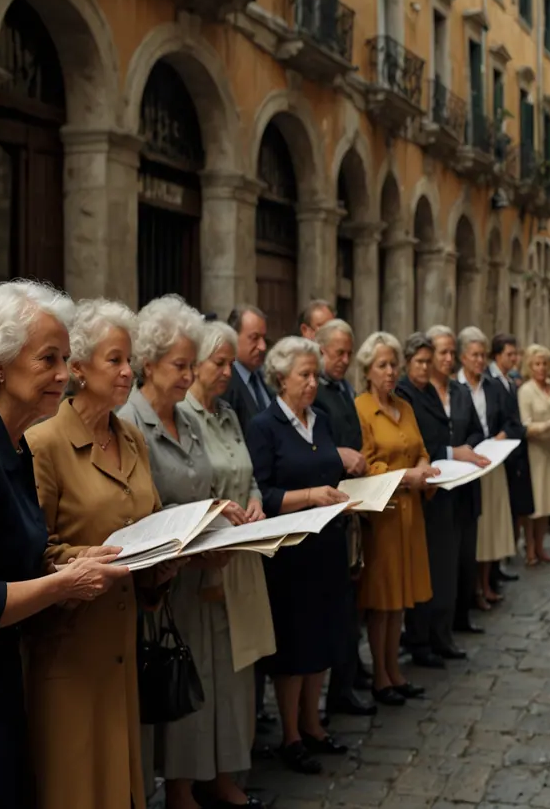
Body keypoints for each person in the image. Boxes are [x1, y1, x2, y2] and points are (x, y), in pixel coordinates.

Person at [0, 283, 126, 809]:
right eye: (48, 359)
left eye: (65, 358)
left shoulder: (10, 443)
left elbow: (14, 552)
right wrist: (64, 584)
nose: (64, 374)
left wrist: (72, 558)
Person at [28, 297, 180, 809]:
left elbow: (152, 518)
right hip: (70, 647)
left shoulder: (131, 438)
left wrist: (173, 556)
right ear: (77, 368)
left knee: (122, 783)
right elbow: (33, 550)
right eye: (114, 359)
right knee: (76, 784)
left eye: (128, 359)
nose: (127, 370)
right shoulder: (43, 443)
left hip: (123, 642)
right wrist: (90, 559)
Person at [116, 297, 260, 809]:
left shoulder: (189, 420)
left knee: (207, 680)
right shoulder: (128, 424)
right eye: (180, 366)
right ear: (148, 363)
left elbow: (204, 487)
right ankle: (171, 789)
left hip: (203, 576)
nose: (187, 376)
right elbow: (138, 510)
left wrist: (227, 519)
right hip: (163, 584)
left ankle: (197, 782)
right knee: (169, 682)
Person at [183, 320, 278, 808]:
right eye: (217, 363)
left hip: (245, 554)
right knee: (212, 672)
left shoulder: (227, 414)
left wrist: (257, 500)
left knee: (241, 671)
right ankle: (203, 776)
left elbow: (249, 475)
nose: (226, 371)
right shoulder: (183, 416)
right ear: (194, 364)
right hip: (210, 560)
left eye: (227, 363)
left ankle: (229, 771)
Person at [246, 336, 352, 774]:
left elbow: (329, 466)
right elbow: (263, 491)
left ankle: (313, 722)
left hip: (327, 544)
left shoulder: (321, 420)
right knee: (294, 646)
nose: (313, 382)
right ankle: (290, 733)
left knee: (324, 637)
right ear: (280, 378)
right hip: (290, 552)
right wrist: (309, 495)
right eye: (304, 375)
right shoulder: (264, 426)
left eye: (315, 375)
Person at [353, 332, 439, 707]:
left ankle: (394, 671)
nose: (390, 373)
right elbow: (365, 464)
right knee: (383, 599)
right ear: (368, 370)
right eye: (382, 366)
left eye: (393, 366)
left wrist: (422, 468)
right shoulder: (361, 409)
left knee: (401, 596)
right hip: (384, 515)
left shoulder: (404, 408)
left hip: (411, 513)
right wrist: (407, 477)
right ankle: (380, 675)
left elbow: (420, 449)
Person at [396, 329, 488, 667]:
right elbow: (415, 443)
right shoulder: (406, 393)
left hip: (452, 489)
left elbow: (465, 431)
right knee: (430, 570)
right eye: (432, 357)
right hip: (425, 493)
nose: (440, 361)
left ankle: (440, 634)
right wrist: (450, 451)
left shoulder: (436, 393)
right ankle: (422, 638)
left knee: (447, 568)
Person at [309, 319, 375, 717]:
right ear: (320, 351)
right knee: (336, 607)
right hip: (326, 508)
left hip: (352, 505)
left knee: (351, 602)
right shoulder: (316, 392)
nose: (345, 360)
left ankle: (347, 682)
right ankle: (338, 688)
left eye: (349, 354)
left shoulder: (344, 388)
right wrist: (339, 456)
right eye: (338, 354)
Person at [456, 327, 514, 614]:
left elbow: (509, 420)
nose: (480, 361)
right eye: (474, 355)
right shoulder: (456, 388)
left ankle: (488, 582)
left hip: (494, 461)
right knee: (476, 531)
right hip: (466, 466)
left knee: (492, 528)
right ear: (462, 357)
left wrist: (501, 436)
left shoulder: (491, 387)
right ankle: (473, 588)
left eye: (482, 355)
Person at [516, 344, 550, 565]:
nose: (541, 368)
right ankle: (529, 548)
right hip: (534, 451)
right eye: (537, 364)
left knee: (548, 501)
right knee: (533, 503)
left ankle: (541, 546)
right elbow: (526, 426)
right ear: (529, 366)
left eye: (545, 363)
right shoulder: (526, 390)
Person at [488, 334, 533, 538]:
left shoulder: (510, 381)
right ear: (497, 355)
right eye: (509, 354)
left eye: (515, 354)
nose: (514, 358)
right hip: (498, 449)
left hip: (513, 448)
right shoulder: (490, 380)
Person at [222, 305, 271, 432]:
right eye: (254, 338)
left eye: (264, 338)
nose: (262, 347)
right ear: (233, 336)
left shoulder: (264, 376)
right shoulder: (225, 380)